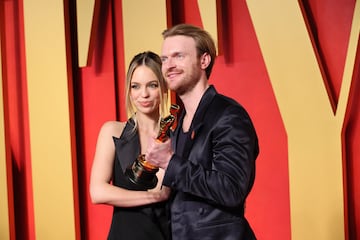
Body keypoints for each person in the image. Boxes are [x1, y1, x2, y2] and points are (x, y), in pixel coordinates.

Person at [145, 24, 259, 240]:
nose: (169, 66)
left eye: (178, 56)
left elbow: (231, 189)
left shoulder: (229, 116)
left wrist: (170, 163)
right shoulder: (179, 123)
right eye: (165, 59)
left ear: (204, 61)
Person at [89, 51, 171, 240]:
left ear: (165, 86)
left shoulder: (175, 137)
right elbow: (98, 192)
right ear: (129, 89)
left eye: (152, 85)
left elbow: (164, 188)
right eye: (136, 86)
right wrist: (154, 198)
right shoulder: (112, 131)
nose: (144, 94)